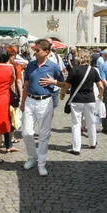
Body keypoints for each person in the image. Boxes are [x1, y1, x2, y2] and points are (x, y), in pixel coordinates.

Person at [21, 39, 65, 176]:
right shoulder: (30, 65)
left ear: (46, 52)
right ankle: (32, 156)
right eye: (35, 49)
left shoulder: (53, 66)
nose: (35, 51)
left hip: (45, 102)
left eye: (38, 50)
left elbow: (64, 83)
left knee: (43, 135)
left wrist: (53, 82)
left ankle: (41, 164)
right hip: (30, 100)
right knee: (26, 132)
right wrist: (22, 102)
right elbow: (26, 84)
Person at [60, 50, 104, 155]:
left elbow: (66, 85)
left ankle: (76, 148)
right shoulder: (93, 70)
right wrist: (101, 94)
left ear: (79, 58)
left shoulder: (74, 70)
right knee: (91, 122)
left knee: (76, 123)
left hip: (76, 100)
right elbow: (100, 86)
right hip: (89, 99)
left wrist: (62, 94)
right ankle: (92, 143)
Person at [45, 37, 66, 109]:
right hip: (41, 88)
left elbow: (61, 72)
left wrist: (63, 89)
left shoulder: (56, 57)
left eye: (49, 44)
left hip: (54, 88)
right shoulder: (36, 57)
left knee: (52, 109)